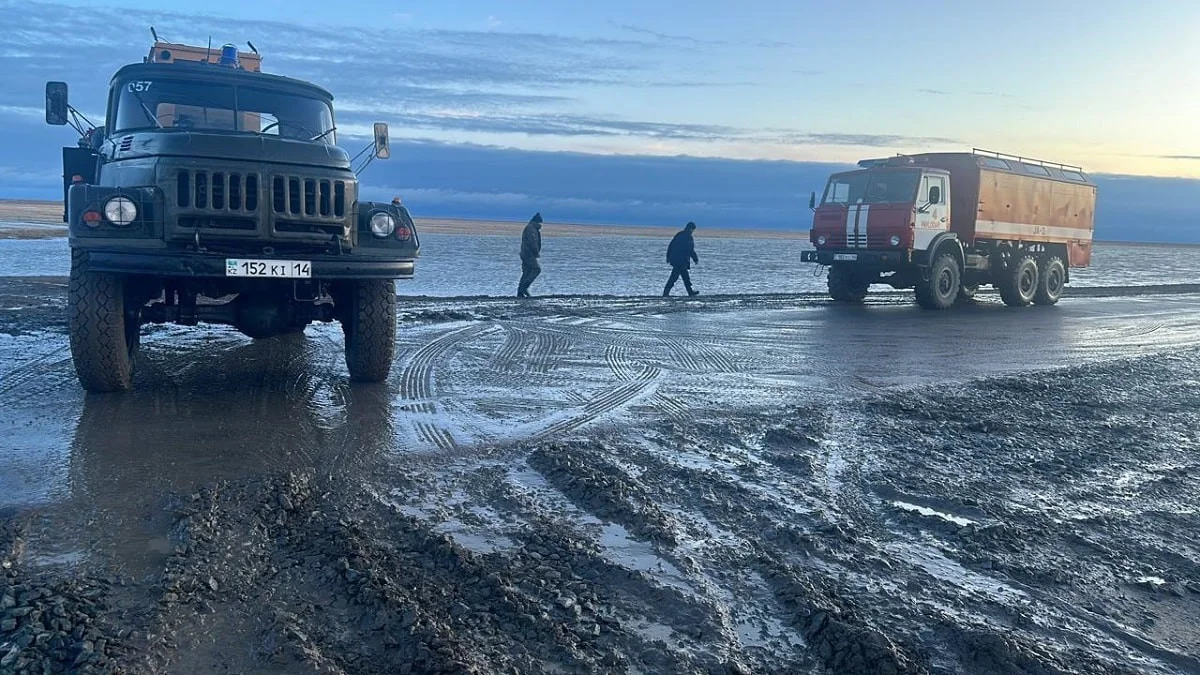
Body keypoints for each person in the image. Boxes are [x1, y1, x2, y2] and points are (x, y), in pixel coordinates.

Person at [663, 221, 700, 297]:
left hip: (677, 259)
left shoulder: (679, 235)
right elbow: (690, 249)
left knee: (684, 276)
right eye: (693, 229)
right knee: (675, 277)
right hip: (681, 260)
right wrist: (695, 259)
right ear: (691, 229)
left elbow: (671, 246)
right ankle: (666, 293)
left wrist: (668, 257)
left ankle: (690, 292)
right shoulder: (688, 237)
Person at [517, 212, 543, 298]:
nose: (540, 225)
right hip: (528, 254)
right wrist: (536, 252)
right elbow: (532, 242)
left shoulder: (531, 228)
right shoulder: (531, 229)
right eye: (539, 223)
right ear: (536, 222)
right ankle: (524, 287)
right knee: (536, 269)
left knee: (526, 272)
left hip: (525, 253)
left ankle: (520, 292)